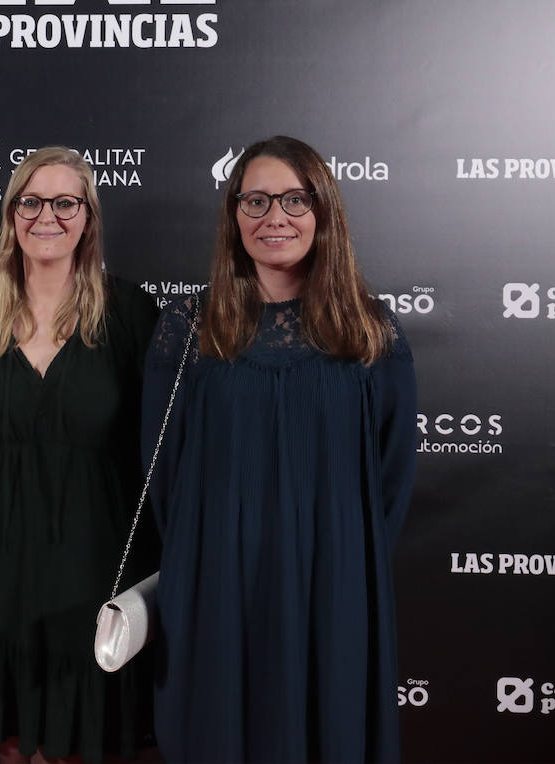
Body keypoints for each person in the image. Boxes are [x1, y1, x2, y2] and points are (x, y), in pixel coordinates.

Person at [143, 135, 417, 762]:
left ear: (324, 212)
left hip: (336, 580)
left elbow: (392, 475)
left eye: (295, 200)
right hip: (216, 583)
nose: (276, 218)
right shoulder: (188, 328)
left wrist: (344, 554)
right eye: (257, 200)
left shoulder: (372, 332)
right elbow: (162, 474)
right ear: (233, 213)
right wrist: (206, 557)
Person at [0, 146, 159, 764]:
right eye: (31, 201)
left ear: (88, 216)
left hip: (92, 547)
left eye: (65, 202)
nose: (48, 216)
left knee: (79, 734)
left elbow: (154, 437)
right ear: (12, 212)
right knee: (10, 737)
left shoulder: (130, 312)